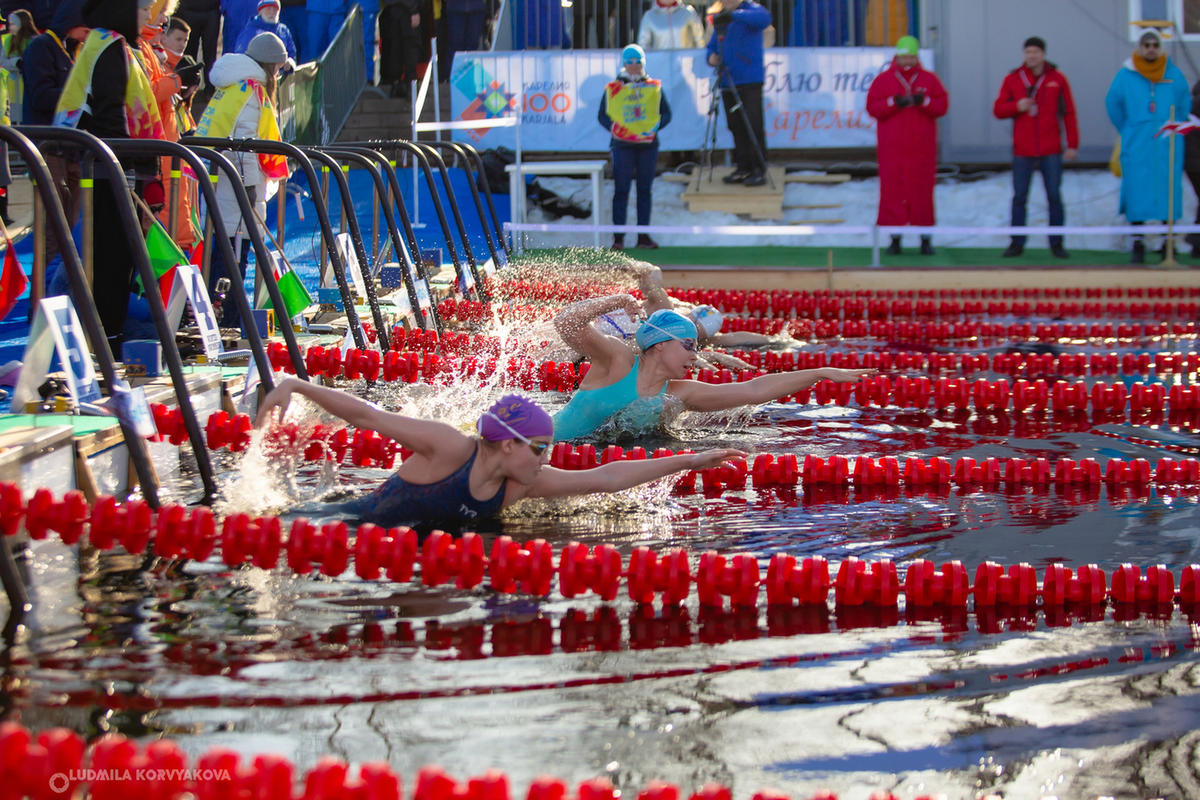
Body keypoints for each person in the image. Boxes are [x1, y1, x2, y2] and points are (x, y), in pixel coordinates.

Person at [254, 385, 745, 529]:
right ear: (508, 443)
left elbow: (608, 478)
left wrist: (688, 461)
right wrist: (295, 386)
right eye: (539, 449)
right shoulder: (449, 446)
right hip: (340, 527)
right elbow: (367, 416)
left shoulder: (523, 484)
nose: (545, 459)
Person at [551, 298, 873, 441]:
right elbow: (565, 322)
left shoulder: (679, 393)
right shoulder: (619, 361)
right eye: (688, 346)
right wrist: (616, 300)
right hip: (540, 446)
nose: (694, 357)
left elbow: (753, 390)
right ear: (660, 344)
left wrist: (819, 373)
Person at [55, 0, 164, 358]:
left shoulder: (105, 44)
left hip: (110, 166)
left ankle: (106, 332)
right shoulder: (110, 49)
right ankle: (107, 337)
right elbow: (109, 111)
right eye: (138, 9)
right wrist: (129, 156)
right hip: (108, 169)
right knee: (111, 256)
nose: (144, 16)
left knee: (108, 253)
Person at [194, 31, 289, 312]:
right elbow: (244, 145)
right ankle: (230, 313)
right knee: (235, 255)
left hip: (222, 183)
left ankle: (219, 310)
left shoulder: (234, 86)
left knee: (222, 249)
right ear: (270, 66)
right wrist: (248, 189)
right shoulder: (250, 90)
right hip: (237, 187)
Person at [1106, 28, 1191, 264]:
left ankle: (1167, 243)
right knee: (1136, 191)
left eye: (1155, 44)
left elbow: (1184, 104)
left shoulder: (1173, 74)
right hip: (1137, 145)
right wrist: (1130, 129)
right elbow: (1113, 103)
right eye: (1147, 45)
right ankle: (1138, 242)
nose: (1151, 49)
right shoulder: (1125, 75)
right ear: (1140, 48)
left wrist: (1173, 126)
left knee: (1168, 191)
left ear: (1160, 47)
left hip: (1167, 145)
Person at [992, 36, 1079, 259]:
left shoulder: (1057, 79)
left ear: (1043, 54)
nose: (1032, 56)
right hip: (1023, 149)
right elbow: (998, 109)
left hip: (1051, 148)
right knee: (1019, 197)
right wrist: (1016, 106)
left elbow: (1068, 112)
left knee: (1054, 196)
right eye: (1028, 52)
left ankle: (1057, 243)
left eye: (1036, 52)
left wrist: (1072, 144)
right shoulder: (1013, 78)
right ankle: (1016, 243)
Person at [865, 34, 948, 256]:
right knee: (893, 192)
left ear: (917, 56)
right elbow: (873, 107)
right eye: (904, 57)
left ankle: (925, 239)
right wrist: (894, 102)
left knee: (921, 192)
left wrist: (925, 102)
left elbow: (942, 106)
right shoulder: (883, 80)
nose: (908, 62)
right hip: (892, 150)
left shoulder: (929, 80)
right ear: (897, 57)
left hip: (921, 150)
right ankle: (894, 239)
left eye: (912, 57)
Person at [21, 0, 86, 264]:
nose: (89, 33)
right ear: (72, 21)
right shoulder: (41, 47)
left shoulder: (75, 52)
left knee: (69, 229)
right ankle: (42, 295)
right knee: (52, 227)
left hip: (72, 149)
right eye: (86, 27)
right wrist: (80, 96)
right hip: (49, 149)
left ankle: (61, 291)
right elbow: (40, 97)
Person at [599, 43, 671, 252]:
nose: (633, 65)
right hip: (622, 145)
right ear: (623, 64)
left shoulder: (652, 87)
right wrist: (613, 128)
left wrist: (655, 127)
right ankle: (618, 238)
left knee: (644, 190)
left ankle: (643, 236)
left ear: (643, 63)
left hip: (647, 145)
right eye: (629, 62)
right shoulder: (614, 88)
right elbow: (602, 115)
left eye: (637, 61)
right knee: (621, 190)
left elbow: (666, 113)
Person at [705, 0, 770, 187]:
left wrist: (734, 15)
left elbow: (764, 19)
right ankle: (743, 167)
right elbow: (711, 45)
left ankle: (758, 169)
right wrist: (711, 57)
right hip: (727, 80)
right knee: (736, 126)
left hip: (749, 80)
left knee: (753, 125)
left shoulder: (751, 10)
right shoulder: (720, 18)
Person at [378, 0, 424, 98]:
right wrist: (413, 10)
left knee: (395, 47)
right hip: (407, 11)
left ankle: (395, 84)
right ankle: (410, 85)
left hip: (391, 9)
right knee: (410, 47)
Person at [0, 9, 36, 123]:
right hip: (13, 86)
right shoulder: (8, 40)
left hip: (29, 87)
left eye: (13, 24)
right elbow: (3, 61)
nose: (9, 27)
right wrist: (16, 63)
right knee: (15, 118)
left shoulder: (34, 41)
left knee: (27, 117)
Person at [638, 0, 704, 50]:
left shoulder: (688, 12)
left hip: (686, 65)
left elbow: (701, 42)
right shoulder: (649, 16)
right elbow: (643, 47)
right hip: (661, 65)